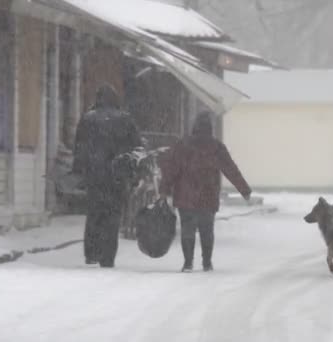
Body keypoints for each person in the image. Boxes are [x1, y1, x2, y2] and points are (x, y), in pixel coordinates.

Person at [160, 111, 251, 272]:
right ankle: (207, 262)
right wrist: (244, 189)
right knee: (207, 230)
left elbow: (171, 169)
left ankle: (188, 263)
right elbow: (230, 169)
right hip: (207, 195)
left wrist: (164, 189)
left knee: (187, 230)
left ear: (194, 126)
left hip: (185, 196)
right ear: (210, 128)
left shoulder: (183, 145)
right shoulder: (216, 147)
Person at [72, 84, 142, 268]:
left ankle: (91, 253)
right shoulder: (125, 120)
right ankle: (107, 257)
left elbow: (79, 147)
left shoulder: (88, 119)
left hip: (94, 176)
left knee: (94, 213)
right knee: (113, 216)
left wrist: (79, 171)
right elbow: (137, 147)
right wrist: (132, 172)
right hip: (116, 176)